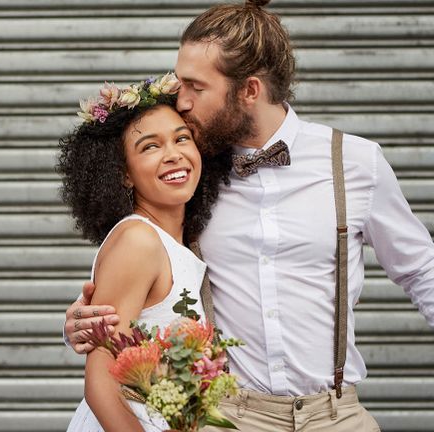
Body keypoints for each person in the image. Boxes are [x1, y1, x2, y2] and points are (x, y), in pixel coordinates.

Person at [63, 0, 434, 431]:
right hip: (229, 416)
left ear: (249, 90)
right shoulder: (190, 168)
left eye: (195, 87)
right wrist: (82, 321)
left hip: (337, 414)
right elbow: (140, 271)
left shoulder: (354, 162)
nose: (180, 101)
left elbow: (421, 268)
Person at [58, 73, 232, 431]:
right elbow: (101, 384)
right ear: (124, 174)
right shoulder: (139, 241)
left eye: (181, 138)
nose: (173, 155)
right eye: (150, 146)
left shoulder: (177, 242)